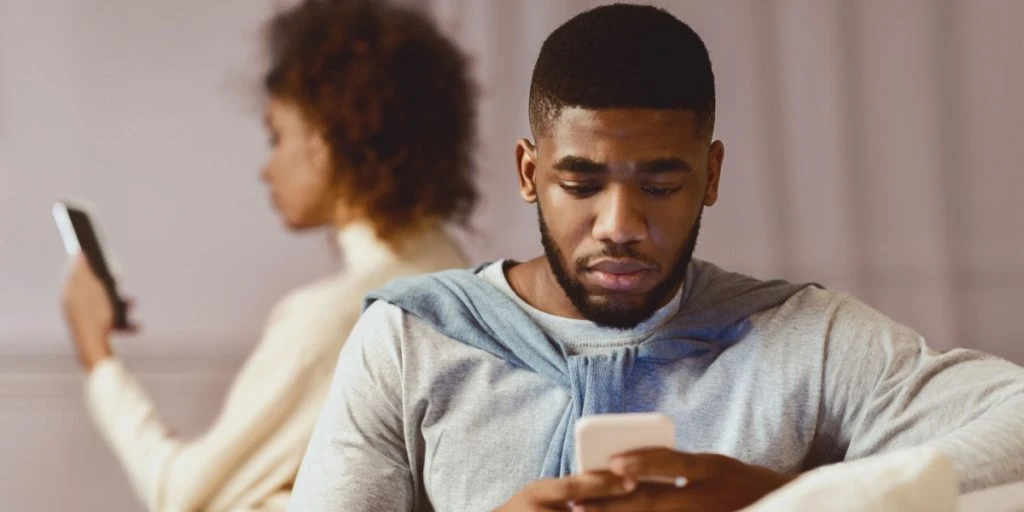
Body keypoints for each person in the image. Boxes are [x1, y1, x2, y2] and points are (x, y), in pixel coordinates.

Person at [288, 3, 1024, 512]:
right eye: (580, 183)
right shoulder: (412, 342)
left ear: (710, 175)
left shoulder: (807, 338)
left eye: (661, 184)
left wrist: (782, 500)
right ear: (527, 173)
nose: (621, 225)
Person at [59, 1, 477, 510]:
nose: (266, 168)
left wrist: (97, 356)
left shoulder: (335, 321)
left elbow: (180, 495)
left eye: (275, 136)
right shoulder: (462, 282)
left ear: (323, 141)